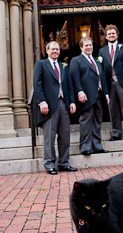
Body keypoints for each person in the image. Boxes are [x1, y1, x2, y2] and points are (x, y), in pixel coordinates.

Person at [33, 40, 77, 175]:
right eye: (53, 49)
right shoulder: (41, 64)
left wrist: (72, 102)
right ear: (47, 51)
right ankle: (49, 164)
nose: (55, 51)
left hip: (63, 103)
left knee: (65, 135)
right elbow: (37, 84)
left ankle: (64, 163)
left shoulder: (63, 66)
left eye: (57, 49)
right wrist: (42, 102)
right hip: (49, 105)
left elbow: (69, 85)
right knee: (49, 137)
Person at [71, 36, 109, 155]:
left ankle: (97, 146)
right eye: (86, 45)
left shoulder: (97, 61)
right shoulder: (76, 60)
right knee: (86, 121)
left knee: (97, 121)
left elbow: (102, 78)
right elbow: (75, 78)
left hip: (99, 95)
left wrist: (106, 93)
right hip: (86, 96)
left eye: (91, 45)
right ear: (81, 47)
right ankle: (85, 147)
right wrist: (80, 92)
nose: (89, 47)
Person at [99, 25, 123, 141]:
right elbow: (101, 70)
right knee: (113, 109)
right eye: (109, 34)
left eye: (113, 33)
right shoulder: (102, 51)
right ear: (105, 36)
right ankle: (116, 133)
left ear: (117, 34)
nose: (111, 35)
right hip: (110, 84)